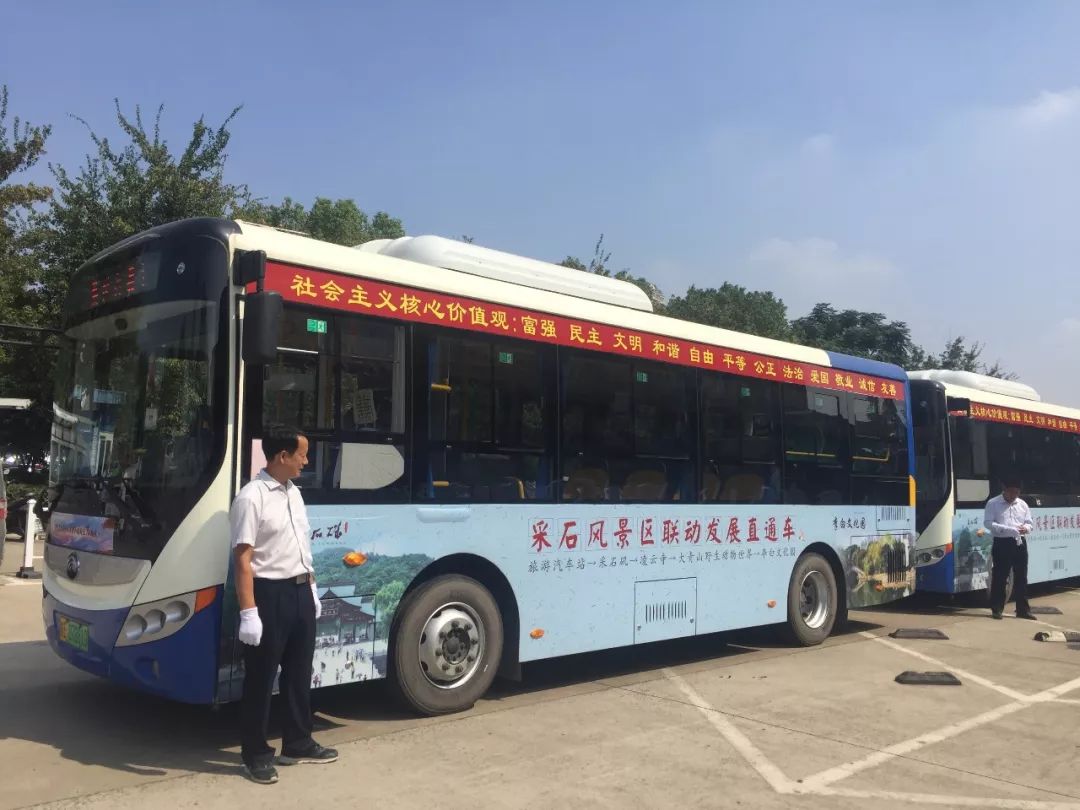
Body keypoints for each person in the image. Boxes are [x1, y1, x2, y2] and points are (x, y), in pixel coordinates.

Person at [231, 426, 338, 785]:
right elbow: (243, 559)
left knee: (298, 672)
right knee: (261, 678)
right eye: (302, 455)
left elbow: (301, 546)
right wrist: (249, 612)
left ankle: (297, 741)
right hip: (269, 595)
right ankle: (255, 754)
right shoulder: (252, 497)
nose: (306, 461)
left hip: (300, 591)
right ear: (282, 456)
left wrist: (312, 588)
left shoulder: (294, 493)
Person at [984, 475, 1036, 621]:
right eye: (1011, 492)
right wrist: (1007, 529)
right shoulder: (993, 503)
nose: (1014, 495)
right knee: (1000, 576)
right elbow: (988, 523)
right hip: (1002, 543)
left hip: (1019, 542)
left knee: (1021, 576)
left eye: (1017, 492)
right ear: (1004, 490)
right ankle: (997, 609)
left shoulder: (1022, 504)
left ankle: (1023, 610)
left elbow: (1029, 522)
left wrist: (1026, 528)